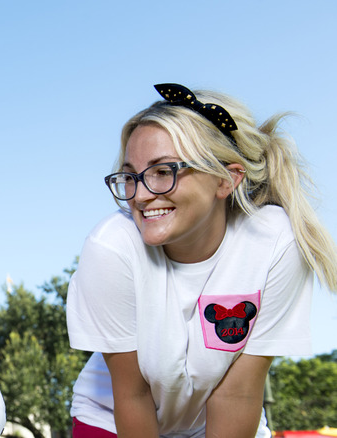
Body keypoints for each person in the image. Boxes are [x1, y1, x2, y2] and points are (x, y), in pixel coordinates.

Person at [66, 83, 337, 438]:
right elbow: (134, 393)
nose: (142, 195)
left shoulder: (277, 244)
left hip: (217, 419)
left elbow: (237, 392)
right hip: (114, 416)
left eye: (164, 171)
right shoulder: (111, 248)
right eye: (132, 176)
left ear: (227, 179)